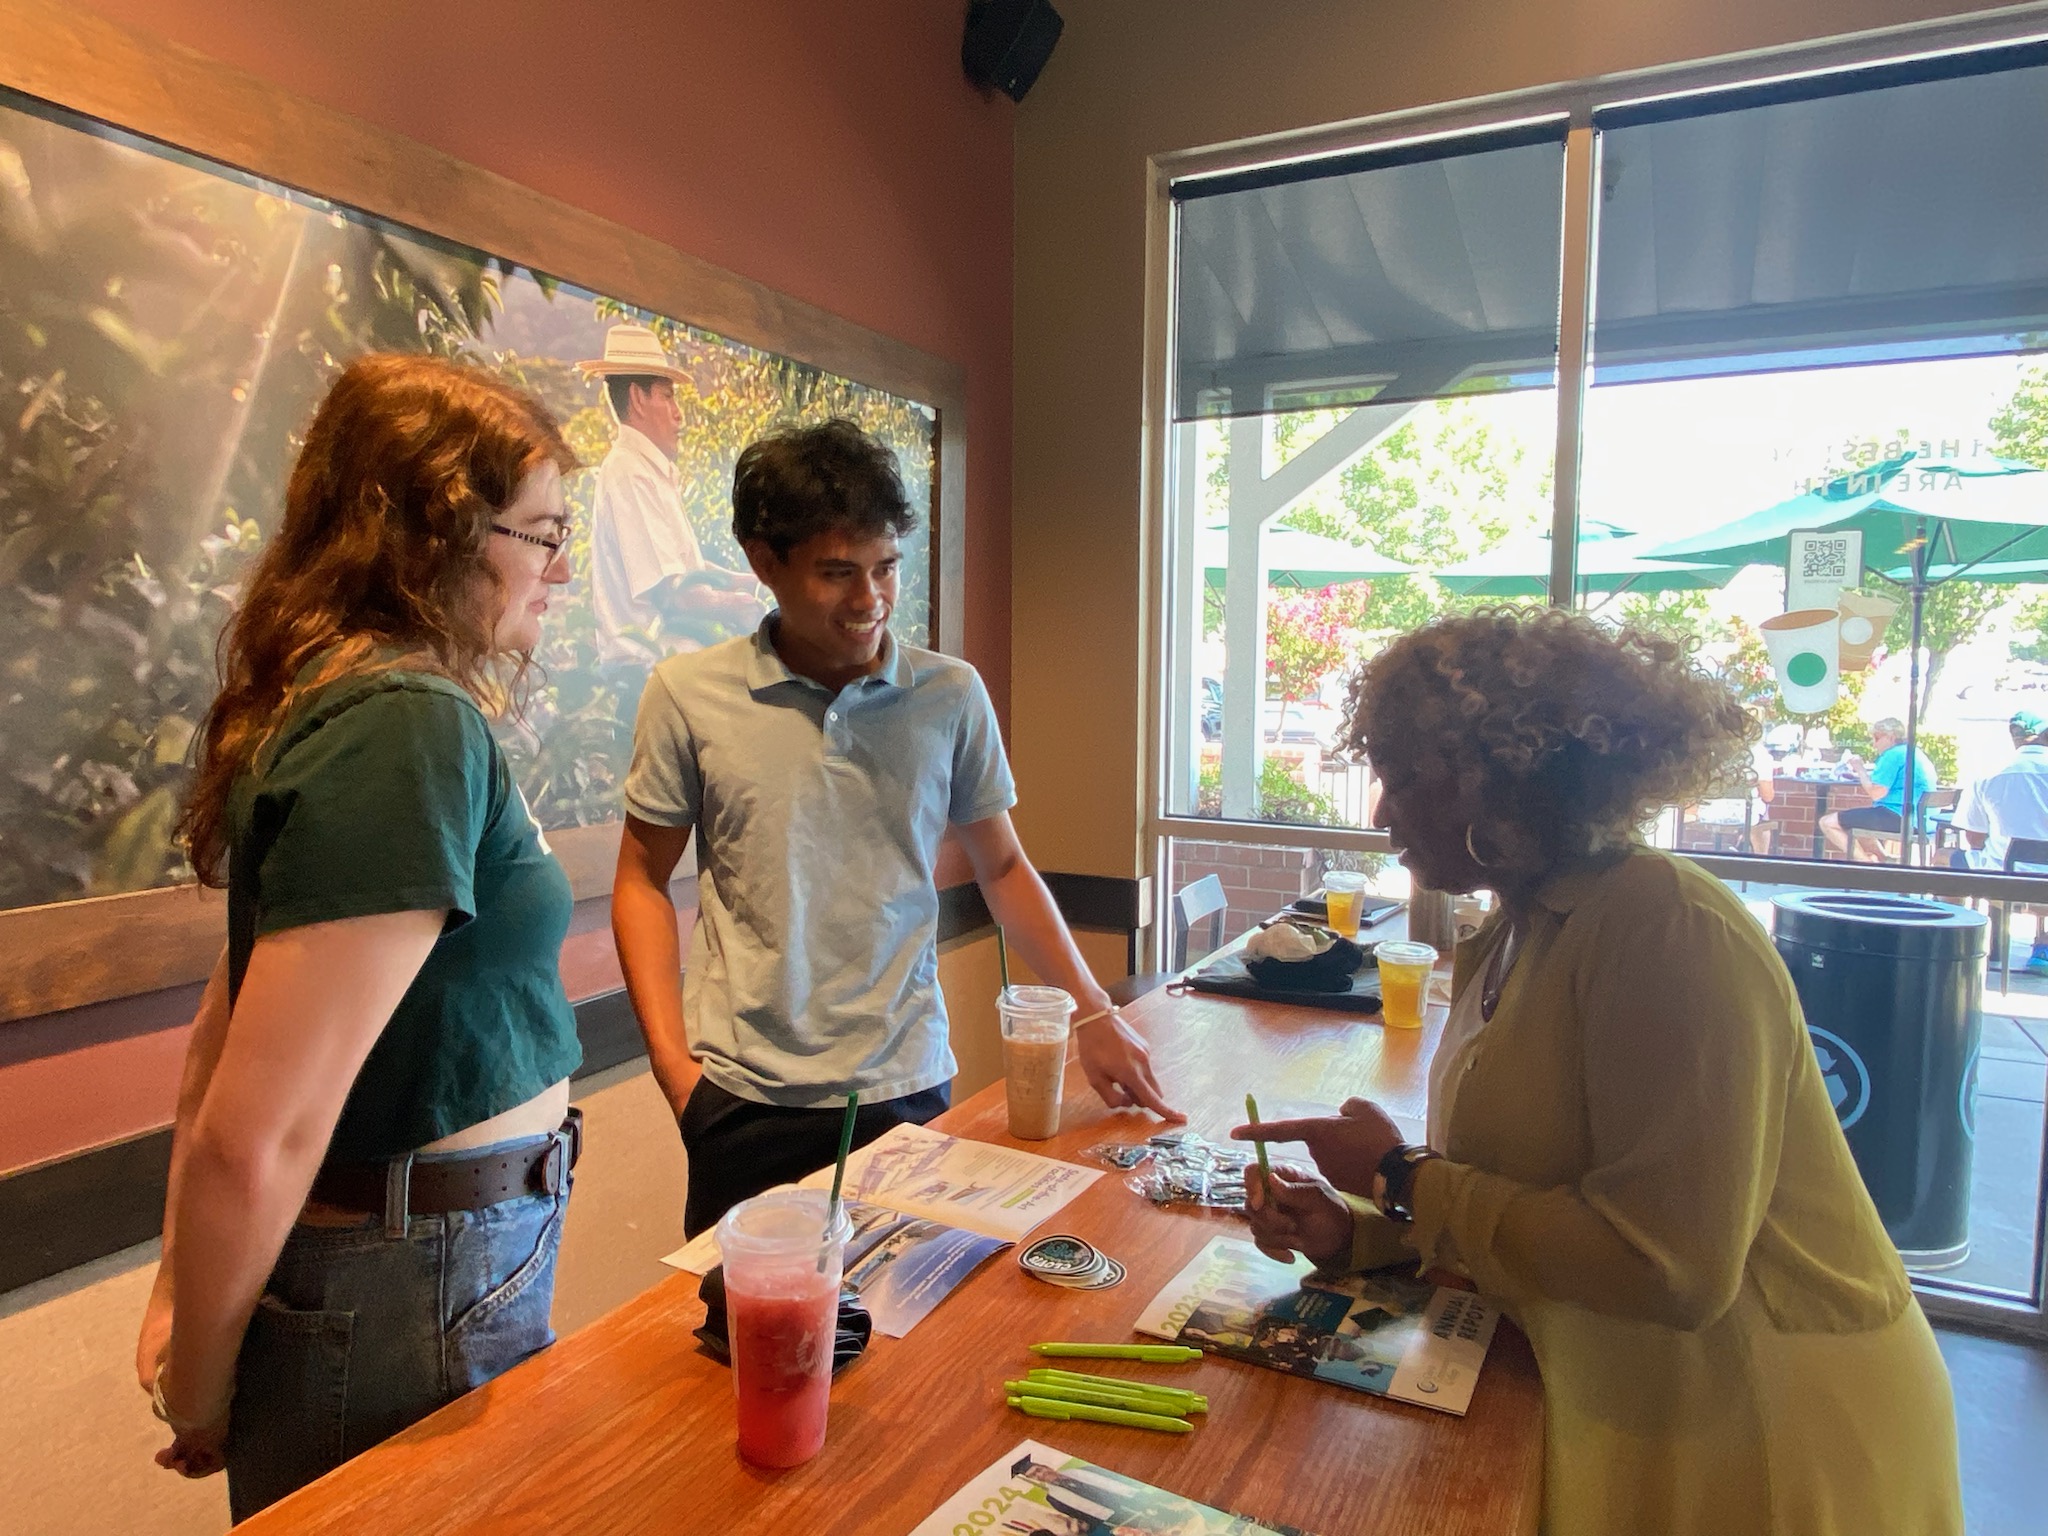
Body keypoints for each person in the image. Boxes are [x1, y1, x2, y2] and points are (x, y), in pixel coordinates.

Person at [1232, 608, 1961, 1536]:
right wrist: (1363, 1231)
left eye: (1403, 774)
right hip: (1634, 1406)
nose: (1380, 812)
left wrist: (1401, 1174)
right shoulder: (1518, 927)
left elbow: (1669, 1267)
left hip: (1770, 1436)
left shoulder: (1667, 928)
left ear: (1503, 777)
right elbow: (1535, 1197)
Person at [136, 355, 587, 1519]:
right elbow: (259, 1125)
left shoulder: (355, 701)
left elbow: (217, 1036)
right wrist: (197, 1382)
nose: (560, 568)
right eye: (539, 534)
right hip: (409, 1281)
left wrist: (181, 1295)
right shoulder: (403, 726)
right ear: (433, 528)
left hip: (421, 1263)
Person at [613, 418, 1182, 1238]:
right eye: (837, 573)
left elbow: (1006, 866)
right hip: (744, 1097)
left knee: (910, 1338)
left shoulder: (948, 694)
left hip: (905, 1084)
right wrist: (674, 1068)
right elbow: (639, 879)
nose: (870, 600)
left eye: (885, 569)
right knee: (745, 1345)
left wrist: (1093, 1012)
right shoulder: (686, 694)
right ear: (764, 563)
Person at [579, 323, 763, 662]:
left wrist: (752, 582)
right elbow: (675, 595)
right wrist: (751, 607)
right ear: (637, 398)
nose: (679, 414)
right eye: (668, 396)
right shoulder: (629, 473)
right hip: (648, 672)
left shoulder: (644, 470)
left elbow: (682, 567)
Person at [1951, 710, 2048, 973]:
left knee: (1944, 859)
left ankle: (1953, 945)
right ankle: (2044, 946)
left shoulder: (1989, 773)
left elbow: (1974, 838)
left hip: (2005, 879)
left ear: (2014, 738)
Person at [1821, 715, 1938, 860]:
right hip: (1926, 821)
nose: (1874, 744)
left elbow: (1876, 793)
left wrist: (1859, 768)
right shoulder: (1914, 752)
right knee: (1860, 821)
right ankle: (1885, 859)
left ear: (1891, 737)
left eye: (1876, 738)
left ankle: (1867, 866)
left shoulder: (1892, 755)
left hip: (1902, 817)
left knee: (1827, 822)